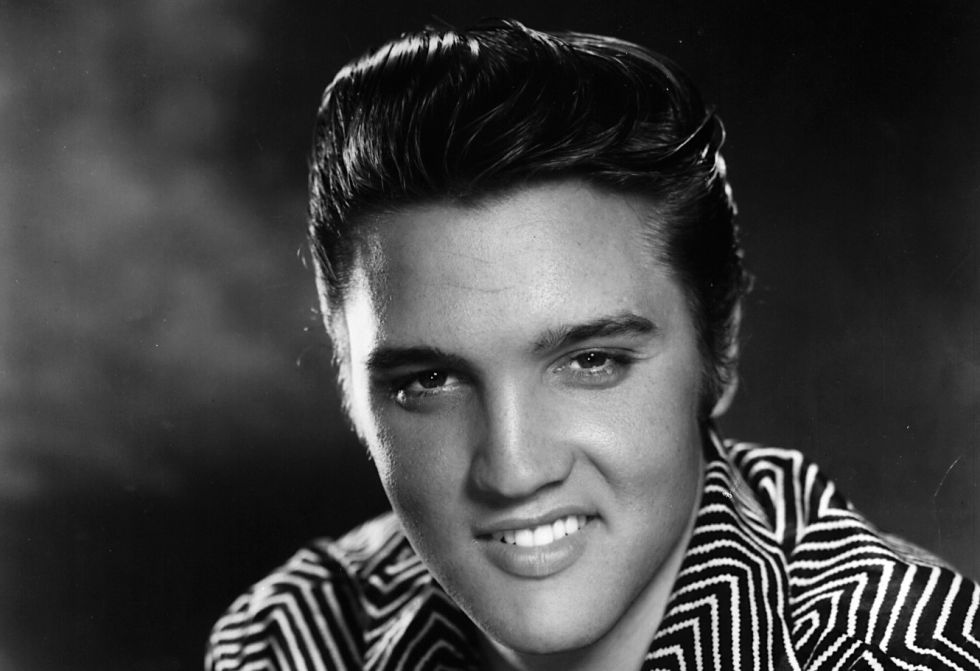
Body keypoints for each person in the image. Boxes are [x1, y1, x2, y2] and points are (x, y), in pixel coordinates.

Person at [206, 20, 980, 671]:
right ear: (350, 383)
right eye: (430, 379)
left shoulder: (905, 654)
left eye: (590, 361)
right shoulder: (290, 641)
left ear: (721, 348)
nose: (514, 469)